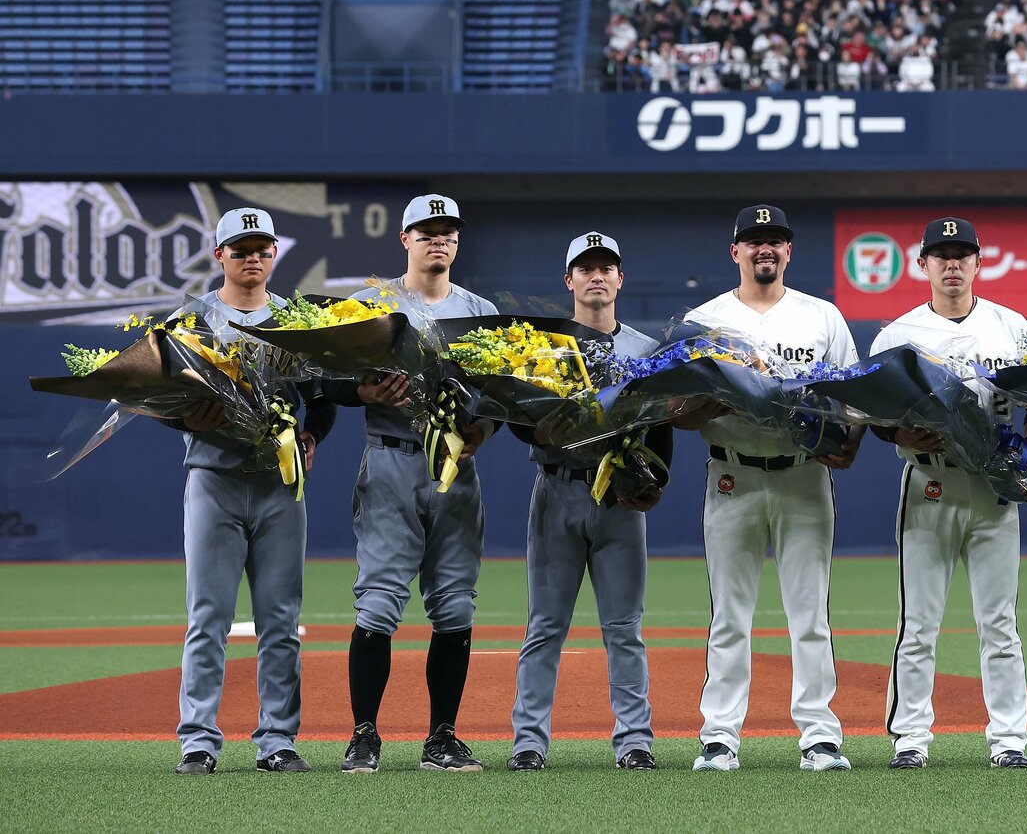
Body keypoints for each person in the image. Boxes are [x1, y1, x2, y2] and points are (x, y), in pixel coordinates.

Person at [675, 204, 864, 773]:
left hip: (805, 474)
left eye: (775, 241)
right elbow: (676, 409)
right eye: (754, 241)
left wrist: (849, 439)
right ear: (735, 252)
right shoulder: (703, 320)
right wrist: (699, 405)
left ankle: (819, 734)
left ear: (788, 252)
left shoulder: (821, 316)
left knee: (810, 613)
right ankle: (720, 735)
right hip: (731, 474)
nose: (765, 249)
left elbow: (853, 397)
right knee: (730, 613)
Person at [871, 217, 1027, 771]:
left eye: (962, 254)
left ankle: (1008, 741)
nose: (952, 264)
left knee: (999, 622)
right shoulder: (898, 334)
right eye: (941, 255)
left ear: (979, 263)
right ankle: (910, 740)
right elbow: (873, 411)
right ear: (922, 264)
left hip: (992, 486)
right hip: (928, 481)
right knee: (919, 623)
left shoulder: (1012, 326)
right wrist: (898, 432)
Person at [328, 194, 500, 774]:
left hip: (455, 467)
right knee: (377, 603)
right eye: (426, 231)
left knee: (455, 606)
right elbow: (320, 378)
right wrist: (360, 393)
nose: (438, 240)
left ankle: (442, 738)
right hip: (392, 460)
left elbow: (503, 392)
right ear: (405, 239)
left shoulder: (481, 309)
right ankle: (364, 736)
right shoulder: (368, 303)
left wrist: (487, 430)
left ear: (457, 241)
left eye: (447, 231)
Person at [171, 209, 335, 775]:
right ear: (220, 255)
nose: (253, 258)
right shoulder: (192, 321)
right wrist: (197, 416)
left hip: (278, 486)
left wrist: (312, 433)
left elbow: (323, 395)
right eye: (240, 249)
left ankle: (277, 741)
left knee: (280, 620)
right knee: (208, 618)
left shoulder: (297, 321)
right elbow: (168, 402)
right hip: (213, 480)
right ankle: (198, 741)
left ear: (272, 255)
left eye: (262, 248)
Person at [506, 232, 672, 773]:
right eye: (586, 268)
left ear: (620, 279)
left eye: (606, 268)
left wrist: (654, 483)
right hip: (557, 491)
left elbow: (662, 430)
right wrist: (545, 431)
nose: (596, 276)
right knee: (544, 626)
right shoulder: (543, 346)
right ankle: (528, 741)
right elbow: (519, 424)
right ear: (569, 280)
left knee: (624, 628)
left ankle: (634, 742)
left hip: (619, 502)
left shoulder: (645, 350)